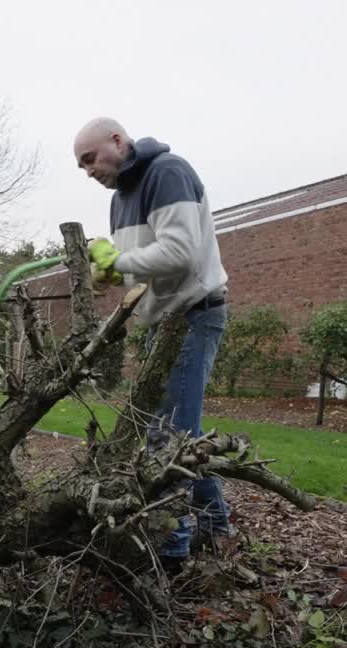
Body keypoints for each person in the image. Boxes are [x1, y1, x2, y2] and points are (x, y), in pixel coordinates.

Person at [72, 117, 233, 568]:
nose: (88, 171)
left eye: (90, 159)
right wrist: (109, 272)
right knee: (180, 432)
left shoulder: (168, 173)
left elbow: (180, 253)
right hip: (161, 324)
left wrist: (119, 263)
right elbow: (141, 267)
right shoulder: (120, 200)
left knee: (169, 439)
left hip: (193, 316)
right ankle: (217, 529)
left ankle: (172, 552)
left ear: (118, 142)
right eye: (80, 167)